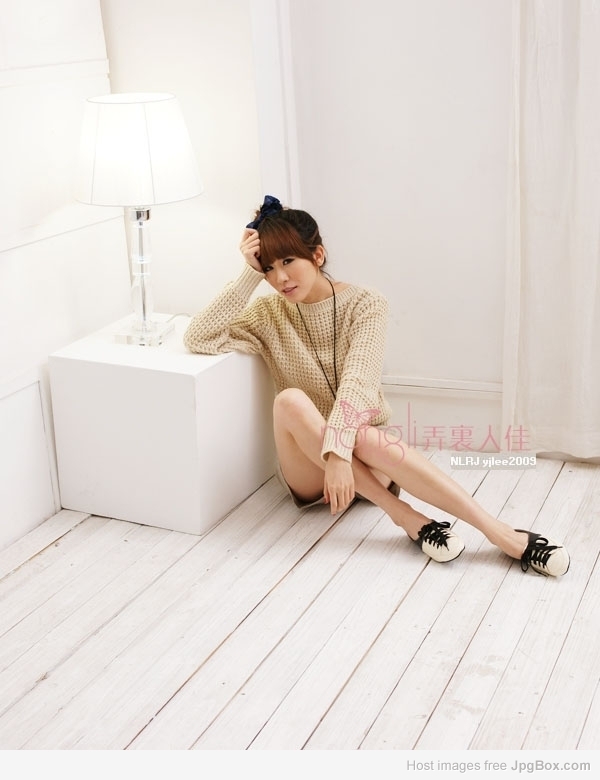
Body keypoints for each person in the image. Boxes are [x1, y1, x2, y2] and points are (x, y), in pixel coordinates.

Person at [183, 196, 570, 577]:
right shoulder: (268, 314)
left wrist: (338, 454)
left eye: (288, 261)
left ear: (317, 255)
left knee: (364, 434)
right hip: (310, 475)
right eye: (268, 268)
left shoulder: (366, 303)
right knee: (290, 401)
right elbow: (198, 336)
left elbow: (359, 381)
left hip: (363, 458)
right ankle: (404, 516)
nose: (279, 278)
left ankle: (500, 533)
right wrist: (248, 275)